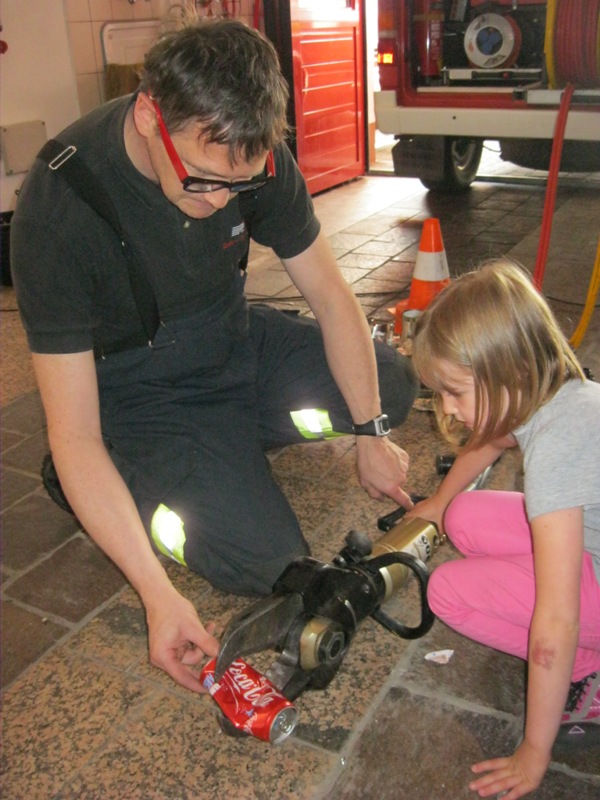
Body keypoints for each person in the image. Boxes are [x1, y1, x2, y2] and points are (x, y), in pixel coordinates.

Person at [11, 19, 418, 693]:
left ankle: (224, 453)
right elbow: (74, 428)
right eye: (203, 182)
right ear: (149, 116)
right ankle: (114, 482)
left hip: (235, 345)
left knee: (392, 386)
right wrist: (154, 595)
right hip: (140, 394)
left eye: (243, 186)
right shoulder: (60, 211)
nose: (223, 201)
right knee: (267, 559)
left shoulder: (245, 149)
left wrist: (372, 431)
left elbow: (330, 295)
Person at [408, 259, 600, 799]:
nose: (447, 409)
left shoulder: (560, 447)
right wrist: (441, 500)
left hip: (592, 577)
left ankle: (590, 670)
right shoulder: (547, 391)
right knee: (462, 515)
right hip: (591, 545)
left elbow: (556, 621)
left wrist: (533, 753)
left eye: (454, 393)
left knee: (447, 590)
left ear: (508, 369)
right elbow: (492, 440)